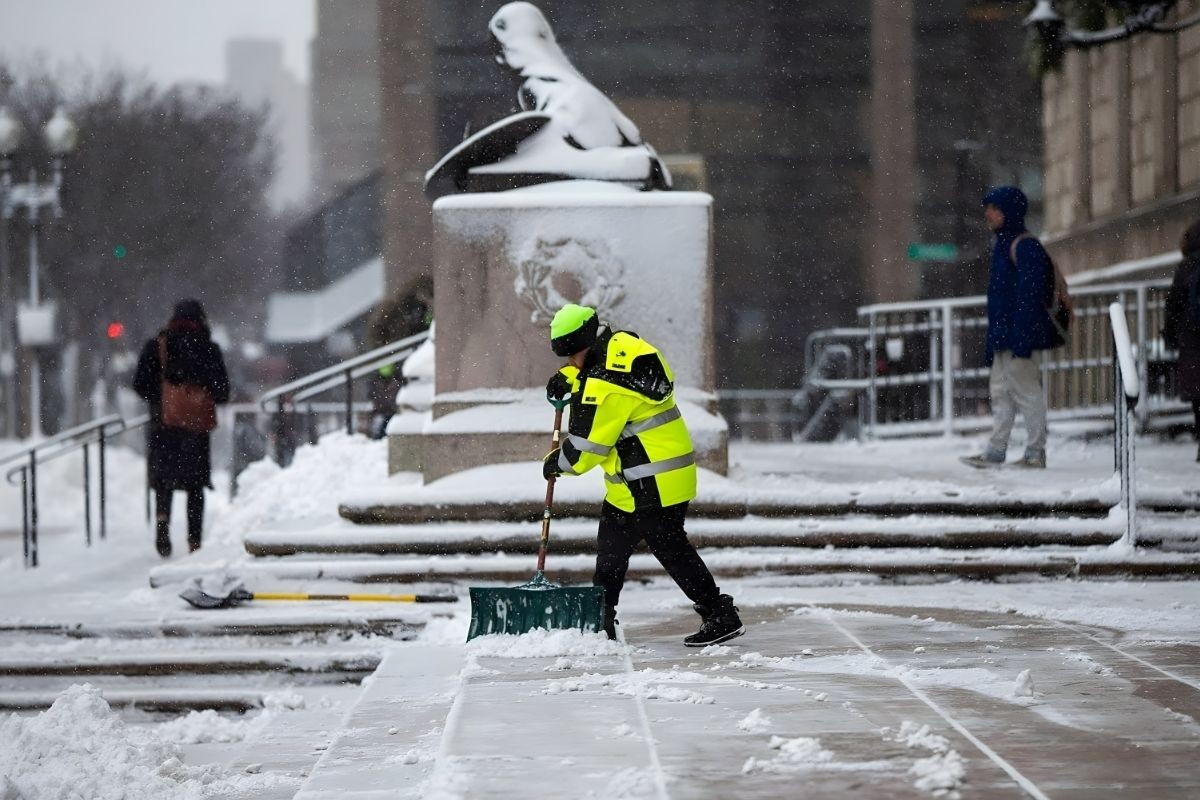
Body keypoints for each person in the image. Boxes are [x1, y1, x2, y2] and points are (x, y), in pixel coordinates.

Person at [541, 304, 744, 647]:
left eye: (573, 356)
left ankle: (720, 614)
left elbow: (585, 451)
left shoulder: (604, 387)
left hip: (653, 480)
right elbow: (612, 380)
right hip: (639, 480)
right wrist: (571, 379)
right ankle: (601, 618)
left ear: (585, 344)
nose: (571, 362)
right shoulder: (625, 348)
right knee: (611, 548)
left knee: (670, 548)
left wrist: (554, 463)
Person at [961, 186, 1058, 470]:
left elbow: (1030, 297)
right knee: (1001, 391)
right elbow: (1002, 300)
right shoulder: (1003, 245)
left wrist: (1022, 338)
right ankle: (996, 449)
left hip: (1018, 336)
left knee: (1026, 391)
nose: (988, 214)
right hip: (1005, 336)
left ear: (1009, 211)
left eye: (994, 208)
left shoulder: (1024, 246)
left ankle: (1035, 451)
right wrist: (995, 340)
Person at [133, 300, 230, 556]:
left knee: (163, 480)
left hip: (163, 426)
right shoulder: (208, 349)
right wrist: (199, 393)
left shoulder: (157, 346)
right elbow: (223, 391)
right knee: (195, 486)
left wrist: (162, 398)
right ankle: (194, 541)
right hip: (195, 430)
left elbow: (140, 384)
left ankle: (162, 520)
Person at [1164, 219, 1200, 462]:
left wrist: (1170, 335)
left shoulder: (1187, 266)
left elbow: (1174, 304)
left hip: (1192, 338)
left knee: (1198, 395)